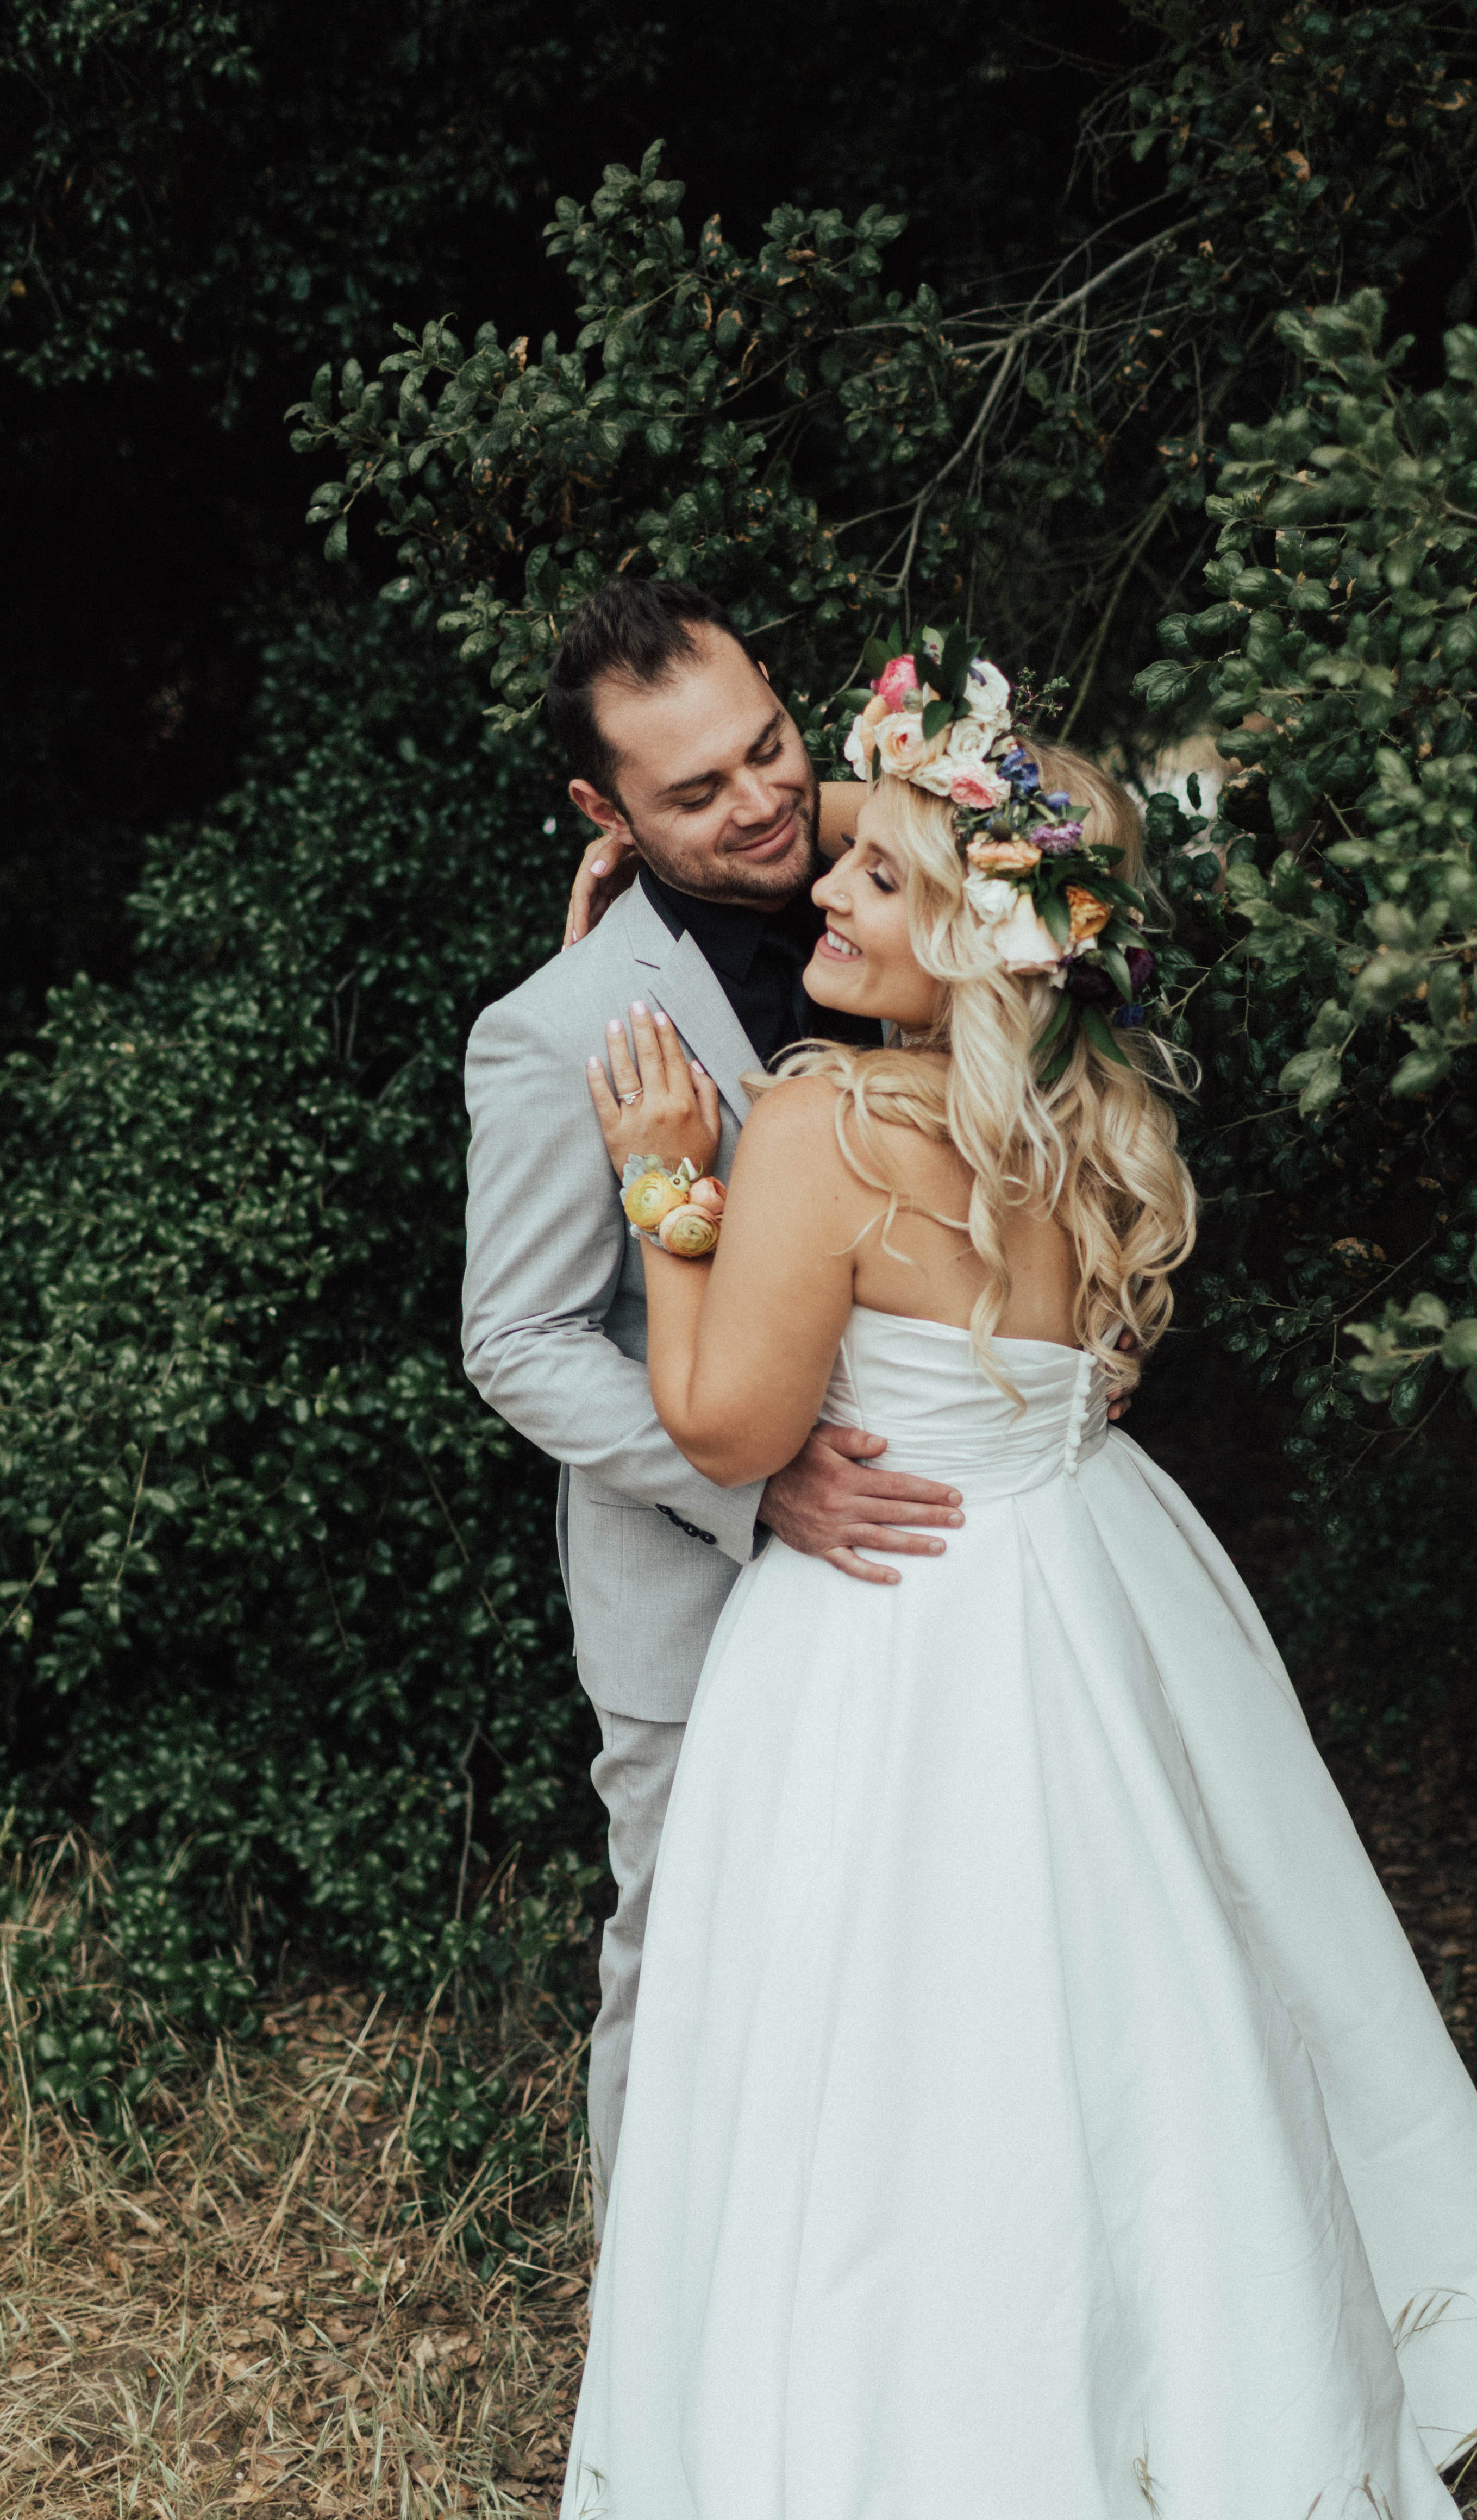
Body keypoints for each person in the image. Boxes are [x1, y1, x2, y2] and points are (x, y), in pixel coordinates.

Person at [530, 631, 1477, 2520]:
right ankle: (1194, 2436)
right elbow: (1065, 1392)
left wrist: (662, 1186)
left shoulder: (811, 1125)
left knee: (895, 2067)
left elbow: (721, 1430)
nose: (837, 902)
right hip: (1081, 1604)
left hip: (893, 1648)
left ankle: (923, 2468)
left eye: (889, 887)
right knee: (1131, 2035)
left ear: (977, 944)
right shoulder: (1099, 1126)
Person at [462, 579, 971, 2234]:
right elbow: (522, 1338)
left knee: (934, 1947)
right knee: (685, 1960)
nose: (759, 805)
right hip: (699, 1581)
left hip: (947, 1543)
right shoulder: (552, 1031)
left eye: (772, 749)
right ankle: (656, 2332)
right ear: (601, 813)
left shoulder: (907, 880)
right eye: (696, 793)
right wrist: (756, 1489)